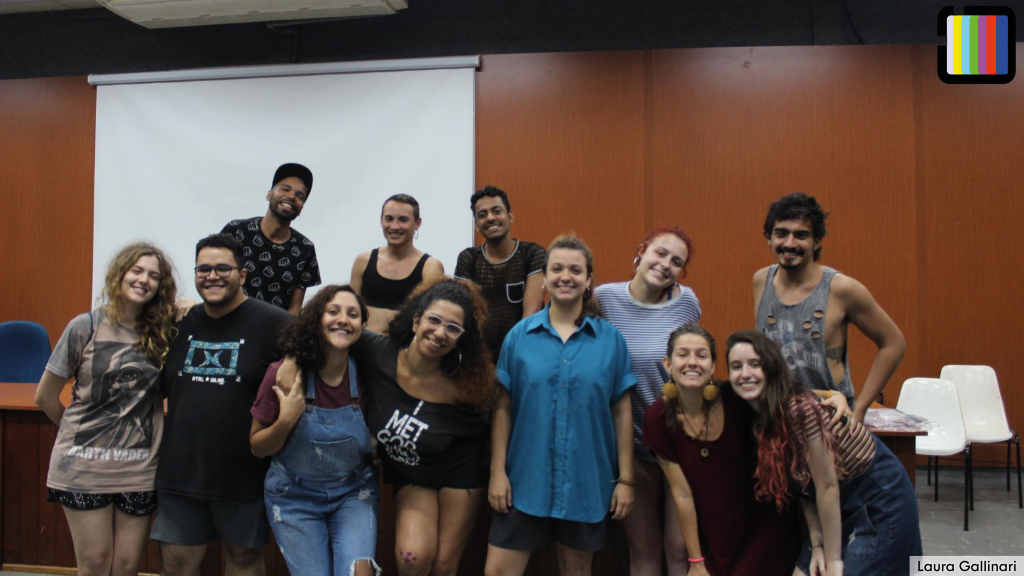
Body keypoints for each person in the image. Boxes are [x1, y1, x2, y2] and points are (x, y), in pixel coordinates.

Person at [276, 277, 496, 576]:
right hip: (413, 471)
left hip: (462, 471)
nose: (440, 332)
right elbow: (320, 328)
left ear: (461, 337)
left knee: (444, 564)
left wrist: (498, 474)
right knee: (411, 558)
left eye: (453, 328)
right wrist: (292, 357)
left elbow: (500, 416)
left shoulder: (466, 381)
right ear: (417, 320)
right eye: (434, 320)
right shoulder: (376, 351)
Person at [486, 235, 637, 576]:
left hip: (587, 481)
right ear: (545, 277)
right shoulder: (519, 336)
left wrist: (626, 480)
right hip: (523, 480)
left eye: (575, 269)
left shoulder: (611, 340)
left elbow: (622, 411)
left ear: (588, 280)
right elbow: (502, 408)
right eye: (556, 269)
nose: (565, 276)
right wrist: (497, 473)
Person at [725, 330, 921, 576]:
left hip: (878, 498)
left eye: (755, 364)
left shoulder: (798, 411)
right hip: (838, 507)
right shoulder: (759, 416)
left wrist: (834, 561)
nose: (745, 374)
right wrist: (817, 544)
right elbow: (803, 487)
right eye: (736, 366)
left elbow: (827, 487)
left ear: (771, 368)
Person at [152, 233, 293, 576]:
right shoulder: (178, 323)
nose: (212, 276)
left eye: (222, 268)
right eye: (203, 269)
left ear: (242, 275)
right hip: (180, 471)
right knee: (176, 565)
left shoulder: (277, 324)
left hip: (244, 475)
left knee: (244, 561)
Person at [35, 242, 177, 576]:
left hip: (140, 472)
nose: (144, 280)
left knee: (126, 567)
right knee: (96, 565)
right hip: (83, 472)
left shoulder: (163, 334)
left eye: (153, 276)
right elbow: (45, 397)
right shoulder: (84, 326)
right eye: (137, 271)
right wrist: (75, 436)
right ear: (119, 274)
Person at [642, 324, 800, 576]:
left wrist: (832, 396)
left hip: (764, 524)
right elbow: (681, 493)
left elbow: (787, 397)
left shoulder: (737, 398)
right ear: (668, 364)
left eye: (702, 355)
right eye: (683, 354)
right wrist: (696, 561)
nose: (692, 362)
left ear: (714, 366)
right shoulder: (658, 418)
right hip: (712, 531)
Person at [250, 285, 380, 576]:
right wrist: (286, 421)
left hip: (353, 493)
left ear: (361, 326)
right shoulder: (283, 374)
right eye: (332, 311)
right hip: (293, 496)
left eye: (353, 314)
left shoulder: (366, 371)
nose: (343, 319)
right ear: (314, 319)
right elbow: (257, 447)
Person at [593, 225, 700, 576]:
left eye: (676, 261)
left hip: (678, 444)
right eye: (660, 253)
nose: (665, 264)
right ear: (641, 252)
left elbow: (691, 366)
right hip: (630, 447)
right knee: (643, 549)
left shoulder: (687, 303)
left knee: (680, 548)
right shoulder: (603, 299)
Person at [753, 192, 906, 422]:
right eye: (781, 233)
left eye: (801, 235)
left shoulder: (841, 289)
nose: (789, 243)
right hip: (774, 418)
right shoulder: (761, 281)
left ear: (816, 241)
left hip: (829, 421)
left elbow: (894, 343)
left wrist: (860, 410)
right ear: (769, 238)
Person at [454, 185, 546, 359]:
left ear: (510, 217)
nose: (490, 218)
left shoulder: (533, 254)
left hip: (524, 351)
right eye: (482, 215)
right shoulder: (468, 259)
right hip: (479, 357)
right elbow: (464, 313)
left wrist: (512, 358)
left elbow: (530, 315)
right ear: (476, 225)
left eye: (497, 211)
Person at [221, 162, 321, 315]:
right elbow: (213, 273)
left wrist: (288, 336)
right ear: (269, 194)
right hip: (229, 321)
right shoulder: (236, 230)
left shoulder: (305, 248)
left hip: (273, 331)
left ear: (301, 208)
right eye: (285, 189)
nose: (291, 196)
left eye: (300, 195)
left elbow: (295, 307)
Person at [351, 194, 444, 333]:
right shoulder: (363, 261)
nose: (394, 226)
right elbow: (349, 308)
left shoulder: (430, 267)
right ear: (381, 221)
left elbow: (433, 317)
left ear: (417, 223)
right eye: (389, 219)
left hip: (403, 350)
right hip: (361, 346)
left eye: (403, 220)